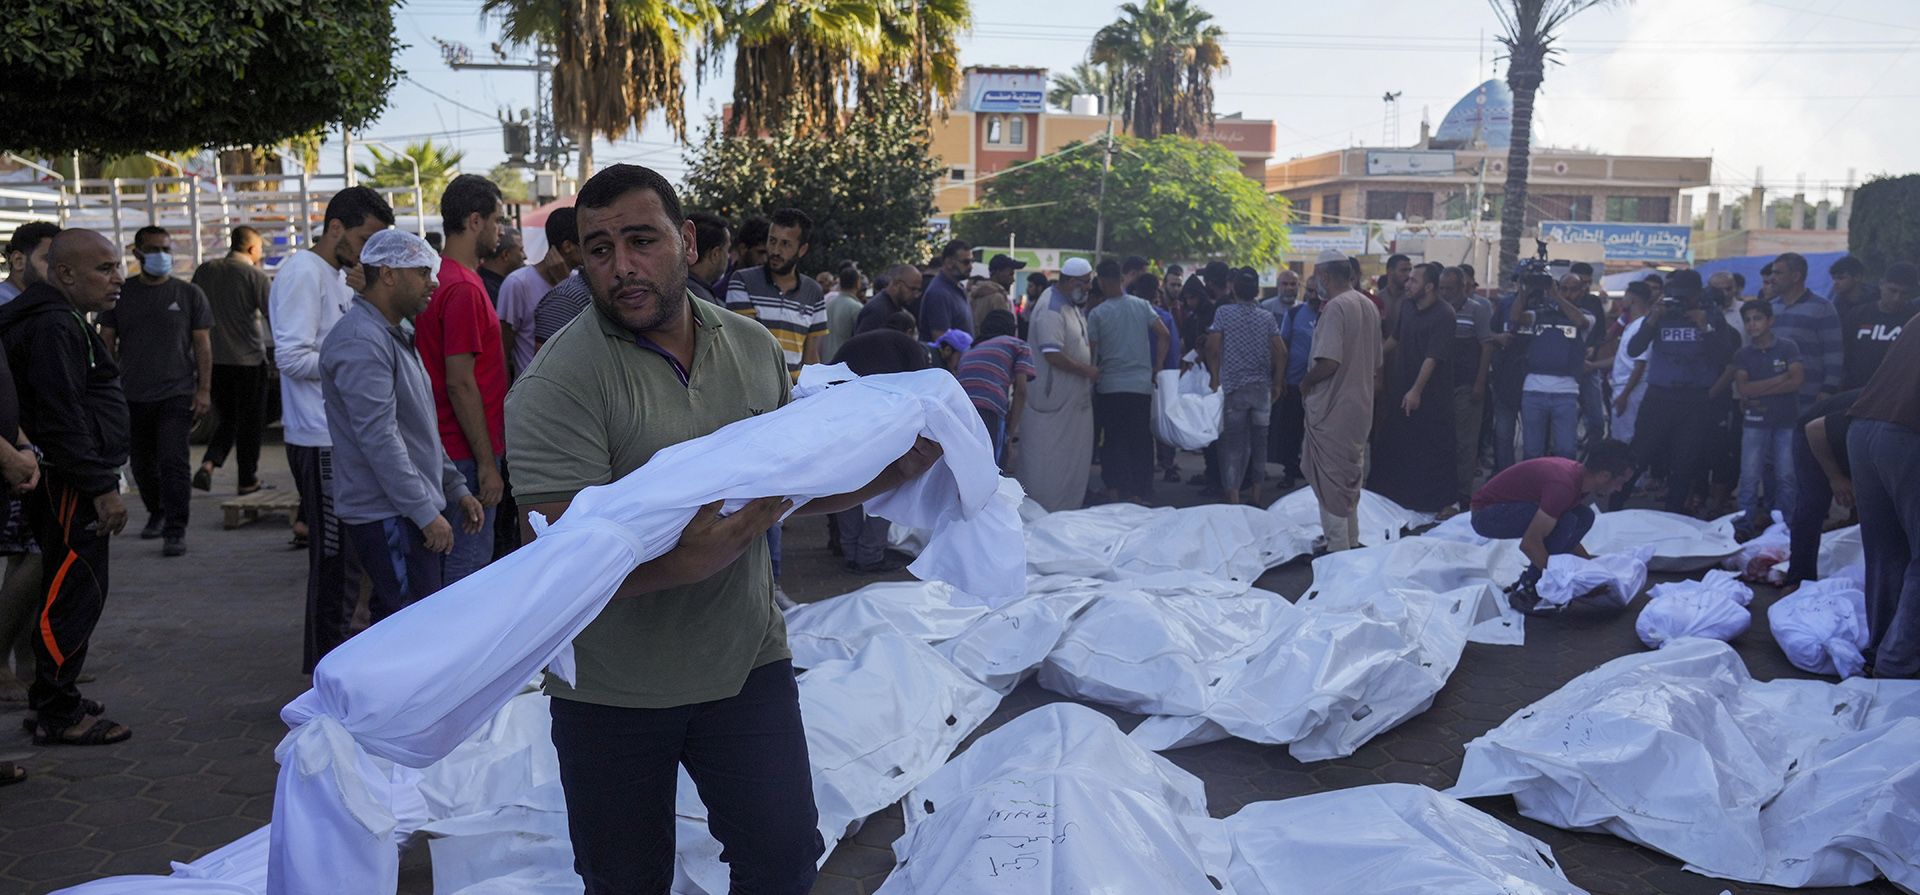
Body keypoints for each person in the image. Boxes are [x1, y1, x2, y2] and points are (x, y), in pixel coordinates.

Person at [505, 164, 941, 891]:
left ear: (689, 240)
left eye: (642, 240)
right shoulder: (557, 385)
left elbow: (784, 494)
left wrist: (890, 473)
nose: (621, 267)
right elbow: (552, 564)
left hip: (746, 664)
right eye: (599, 249)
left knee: (783, 860)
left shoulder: (752, 347)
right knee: (625, 879)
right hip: (614, 692)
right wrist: (685, 562)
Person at [0, 228, 133, 745]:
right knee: (74, 592)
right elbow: (61, 417)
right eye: (104, 268)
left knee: (65, 587)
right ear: (64, 274)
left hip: (68, 476)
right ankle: (58, 711)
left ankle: (53, 694)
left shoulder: (60, 318)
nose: (116, 277)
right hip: (70, 482)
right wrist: (102, 487)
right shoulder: (55, 324)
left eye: (117, 266)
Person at [322, 230, 484, 620]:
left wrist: (453, 487)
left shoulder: (394, 333)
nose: (434, 283)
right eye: (423, 272)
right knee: (410, 624)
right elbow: (379, 439)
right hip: (389, 513)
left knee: (407, 619)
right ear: (389, 275)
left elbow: (418, 427)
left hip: (405, 508)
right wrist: (424, 513)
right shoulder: (362, 339)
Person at [272, 186, 394, 673]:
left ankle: (341, 662)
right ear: (336, 228)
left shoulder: (340, 276)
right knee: (333, 562)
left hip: (341, 436)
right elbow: (290, 355)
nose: (367, 251)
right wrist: (356, 362)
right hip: (318, 438)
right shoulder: (303, 271)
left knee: (353, 560)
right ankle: (326, 671)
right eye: (364, 238)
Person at [416, 174, 511, 586]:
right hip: (465, 455)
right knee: (467, 572)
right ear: (475, 221)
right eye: (497, 220)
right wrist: (488, 465)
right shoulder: (462, 288)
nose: (500, 231)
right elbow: (460, 382)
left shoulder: (444, 279)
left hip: (454, 449)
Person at [97, 225, 212, 557]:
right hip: (131, 395)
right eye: (154, 249)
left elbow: (203, 346)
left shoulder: (189, 295)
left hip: (176, 393)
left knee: (173, 462)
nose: (162, 256)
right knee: (141, 465)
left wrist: (203, 390)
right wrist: (105, 391)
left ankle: (175, 530)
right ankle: (157, 512)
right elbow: (107, 343)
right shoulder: (121, 294)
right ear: (137, 253)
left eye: (166, 249)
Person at [1470, 440, 1636, 614]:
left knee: (1584, 516)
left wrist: (1595, 574)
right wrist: (1567, 582)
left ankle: (1537, 580)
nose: (1619, 489)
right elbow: (1530, 544)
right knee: (1566, 521)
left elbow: (1568, 541)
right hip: (1486, 515)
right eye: (1620, 482)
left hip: (1503, 508)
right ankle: (1527, 588)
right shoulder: (1564, 486)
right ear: (1604, 476)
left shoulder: (1580, 479)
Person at [1626, 269, 1741, 514]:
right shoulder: (1662, 313)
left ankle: (1674, 514)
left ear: (1698, 294)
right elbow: (1634, 349)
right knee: (1640, 453)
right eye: (1675, 295)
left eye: (1685, 297)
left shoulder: (1711, 316)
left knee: (1685, 460)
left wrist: (1705, 326)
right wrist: (1652, 319)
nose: (1680, 301)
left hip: (1694, 399)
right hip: (1660, 395)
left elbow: (1725, 356)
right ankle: (1616, 508)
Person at [1845, 308, 1920, 678]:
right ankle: (1899, 667)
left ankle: (1878, 653)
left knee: (1886, 552)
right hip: (1908, 436)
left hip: (1863, 431)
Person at [1299, 256, 1382, 552]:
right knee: (1348, 480)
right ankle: (1348, 542)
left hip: (1334, 408)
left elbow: (1329, 361)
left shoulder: (1336, 307)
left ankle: (1338, 551)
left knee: (1332, 482)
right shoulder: (1367, 304)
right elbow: (1377, 364)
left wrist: (1306, 382)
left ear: (1325, 276)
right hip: (1359, 406)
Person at [190, 226, 271, 496]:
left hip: (214, 362)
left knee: (228, 419)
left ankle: (209, 464)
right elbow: (276, 317)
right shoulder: (254, 275)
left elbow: (193, 312)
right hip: (248, 361)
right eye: (260, 248)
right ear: (251, 249)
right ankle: (247, 479)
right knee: (250, 423)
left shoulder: (205, 271)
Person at [1014, 258, 1099, 511]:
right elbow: (1051, 353)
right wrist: (1088, 371)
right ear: (1072, 281)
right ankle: (1044, 513)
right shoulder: (1050, 307)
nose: (1088, 288)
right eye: (1085, 283)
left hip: (1070, 401)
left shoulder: (1070, 304)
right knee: (1048, 463)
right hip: (1052, 400)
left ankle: (1065, 511)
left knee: (1069, 459)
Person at [1370, 262, 1455, 513]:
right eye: (1407, 279)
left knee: (1432, 449)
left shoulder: (1444, 314)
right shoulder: (1407, 307)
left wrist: (1416, 390)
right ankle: (1392, 499)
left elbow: (1433, 357)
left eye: (1414, 280)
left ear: (1429, 286)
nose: (1408, 283)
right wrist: (1372, 361)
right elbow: (1395, 339)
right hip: (1401, 387)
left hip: (1431, 396)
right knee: (1396, 444)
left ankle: (1441, 503)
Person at [1085, 263, 1169, 505]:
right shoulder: (1142, 306)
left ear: (1100, 281)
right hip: (1140, 386)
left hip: (1110, 387)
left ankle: (1114, 490)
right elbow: (1164, 334)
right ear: (1122, 278)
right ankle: (1140, 491)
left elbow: (1092, 353)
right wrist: (1158, 366)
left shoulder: (1097, 314)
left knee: (1113, 441)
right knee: (1141, 440)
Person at [1205, 269, 1286, 506]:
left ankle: (1234, 496)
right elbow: (1281, 351)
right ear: (1256, 292)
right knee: (1260, 443)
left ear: (1233, 289)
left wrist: (1214, 375)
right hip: (1262, 389)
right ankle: (1257, 494)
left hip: (1234, 389)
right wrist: (1278, 382)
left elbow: (1212, 346)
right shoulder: (1266, 317)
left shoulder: (1224, 313)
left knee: (1232, 444)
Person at [725, 207, 827, 382]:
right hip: (753, 392)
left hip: (794, 397)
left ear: (802, 250)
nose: (775, 250)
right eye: (772, 241)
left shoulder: (814, 292)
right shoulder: (742, 281)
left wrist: (814, 392)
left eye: (785, 244)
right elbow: (747, 345)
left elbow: (811, 357)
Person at [1729, 300, 1804, 537]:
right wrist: (1779, 379)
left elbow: (1797, 381)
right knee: (1749, 477)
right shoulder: (1743, 354)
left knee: (1787, 476)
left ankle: (1785, 527)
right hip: (1754, 422)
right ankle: (1743, 527)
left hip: (1786, 420)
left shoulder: (1787, 347)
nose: (1752, 324)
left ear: (1770, 320)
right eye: (1748, 320)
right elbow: (1744, 390)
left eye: (1757, 318)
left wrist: (1758, 387)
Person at [1513, 273, 1593, 460]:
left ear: (1582, 291)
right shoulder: (1540, 314)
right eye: (1563, 288)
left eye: (1572, 289)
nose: (1567, 293)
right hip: (1533, 390)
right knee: (1532, 452)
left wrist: (1557, 296)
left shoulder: (1587, 315)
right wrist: (1525, 290)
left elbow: (1580, 322)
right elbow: (1516, 317)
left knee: (1566, 451)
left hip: (1566, 392)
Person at [1789, 389, 1862, 588]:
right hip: (1813, 438)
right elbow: (1814, 430)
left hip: (1853, 444)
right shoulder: (1880, 402)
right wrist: (1835, 478)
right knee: (1813, 505)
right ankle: (1798, 580)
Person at [498, 207, 580, 377]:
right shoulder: (517, 284)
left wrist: (565, 283)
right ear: (568, 246)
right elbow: (503, 351)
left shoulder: (578, 281)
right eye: (585, 243)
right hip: (531, 396)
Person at [1441, 265, 1495, 509]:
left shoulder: (1477, 310)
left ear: (1463, 287)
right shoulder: (1439, 310)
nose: (1445, 293)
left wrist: (1480, 383)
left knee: (1465, 443)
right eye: (1442, 288)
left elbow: (1487, 345)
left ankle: (1462, 495)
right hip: (1442, 385)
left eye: (1449, 288)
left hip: (1467, 384)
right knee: (1444, 441)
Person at [955, 309, 1034, 467]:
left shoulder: (970, 351)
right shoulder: (1018, 345)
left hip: (959, 410)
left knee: (965, 467)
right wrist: (1009, 437)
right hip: (989, 408)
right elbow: (1021, 391)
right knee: (993, 469)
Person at [1272, 269, 1326, 485]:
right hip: (1294, 382)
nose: (1313, 295)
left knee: (1318, 432)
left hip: (1321, 385)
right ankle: (1289, 472)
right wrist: (1280, 378)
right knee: (1291, 430)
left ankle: (1315, 474)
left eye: (1317, 291)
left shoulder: (1330, 314)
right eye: (1310, 291)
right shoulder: (1294, 314)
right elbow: (1283, 347)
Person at [1768, 252, 1843, 407]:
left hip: (1809, 397)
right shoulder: (1770, 308)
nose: (1771, 278)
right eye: (1772, 273)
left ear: (1796, 276)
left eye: (1778, 273)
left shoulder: (1822, 308)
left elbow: (1833, 352)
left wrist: (1828, 388)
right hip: (1773, 396)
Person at [1136, 274, 1184, 483]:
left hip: (1137, 377)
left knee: (1142, 424)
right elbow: (1173, 349)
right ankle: (1168, 464)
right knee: (1164, 420)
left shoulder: (1131, 313)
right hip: (1163, 376)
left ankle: (1143, 469)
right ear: (1157, 292)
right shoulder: (1163, 317)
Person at [1841, 260, 1916, 389]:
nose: (1897, 298)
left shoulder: (1914, 319)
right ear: (1881, 284)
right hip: (1856, 390)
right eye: (1893, 291)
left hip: (1898, 392)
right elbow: (1843, 352)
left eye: (1904, 293)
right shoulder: (1858, 314)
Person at [1607, 281, 1654, 445]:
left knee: (1626, 440)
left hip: (1631, 391)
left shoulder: (1642, 326)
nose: (1622, 300)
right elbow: (1623, 359)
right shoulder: (1632, 324)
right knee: (1619, 436)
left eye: (1625, 296)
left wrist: (1624, 395)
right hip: (1623, 388)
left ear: (1632, 299)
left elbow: (1639, 365)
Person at [919, 239, 974, 342]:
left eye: (971, 261)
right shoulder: (939, 293)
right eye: (966, 262)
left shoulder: (958, 287)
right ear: (949, 263)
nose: (971, 267)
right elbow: (942, 341)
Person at [853, 264, 922, 337]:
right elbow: (861, 344)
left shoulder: (896, 306)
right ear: (896, 284)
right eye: (913, 289)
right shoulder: (877, 310)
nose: (916, 295)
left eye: (918, 290)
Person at [0, 221, 59, 305]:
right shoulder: (6, 304)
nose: (58, 269)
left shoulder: (31, 305)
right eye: (49, 259)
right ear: (18, 260)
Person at [684, 211, 732, 305]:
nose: (728, 256)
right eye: (727, 250)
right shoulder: (701, 302)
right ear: (715, 254)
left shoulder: (676, 288)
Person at [822, 265, 863, 361]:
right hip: (844, 364)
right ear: (858, 283)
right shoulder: (856, 308)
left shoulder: (829, 303)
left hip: (825, 360)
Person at [970, 253, 1023, 327]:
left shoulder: (972, 294)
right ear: (998, 273)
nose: (1013, 280)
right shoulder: (997, 298)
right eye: (1010, 274)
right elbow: (1003, 330)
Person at [476, 227, 524, 305]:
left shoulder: (480, 280)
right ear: (505, 254)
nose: (525, 256)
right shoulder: (492, 291)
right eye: (521, 250)